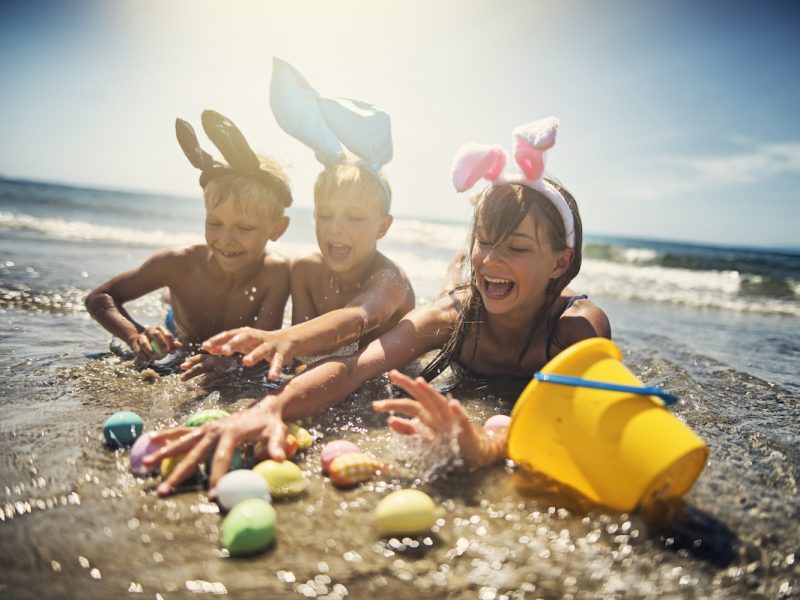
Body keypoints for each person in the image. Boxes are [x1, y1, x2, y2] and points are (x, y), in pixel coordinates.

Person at [144, 116, 611, 495]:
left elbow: (582, 422)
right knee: (464, 283)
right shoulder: (452, 315)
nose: (489, 260)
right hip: (463, 310)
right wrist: (271, 407)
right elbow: (352, 367)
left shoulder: (577, 328)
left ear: (560, 262)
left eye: (518, 248)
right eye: (484, 241)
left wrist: (491, 444)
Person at [201, 58, 414, 380]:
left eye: (354, 218)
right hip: (334, 376)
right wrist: (234, 359)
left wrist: (283, 338)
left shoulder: (390, 279)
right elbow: (304, 353)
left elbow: (359, 316)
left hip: (388, 381)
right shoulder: (304, 271)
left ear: (382, 227)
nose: (336, 227)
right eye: (325, 215)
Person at [85, 110, 292, 380]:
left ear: (277, 229)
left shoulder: (275, 273)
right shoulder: (179, 263)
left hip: (215, 334)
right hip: (183, 329)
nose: (225, 239)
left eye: (244, 227)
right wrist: (136, 336)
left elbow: (262, 347)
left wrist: (229, 363)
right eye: (215, 223)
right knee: (171, 307)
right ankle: (170, 299)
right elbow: (99, 298)